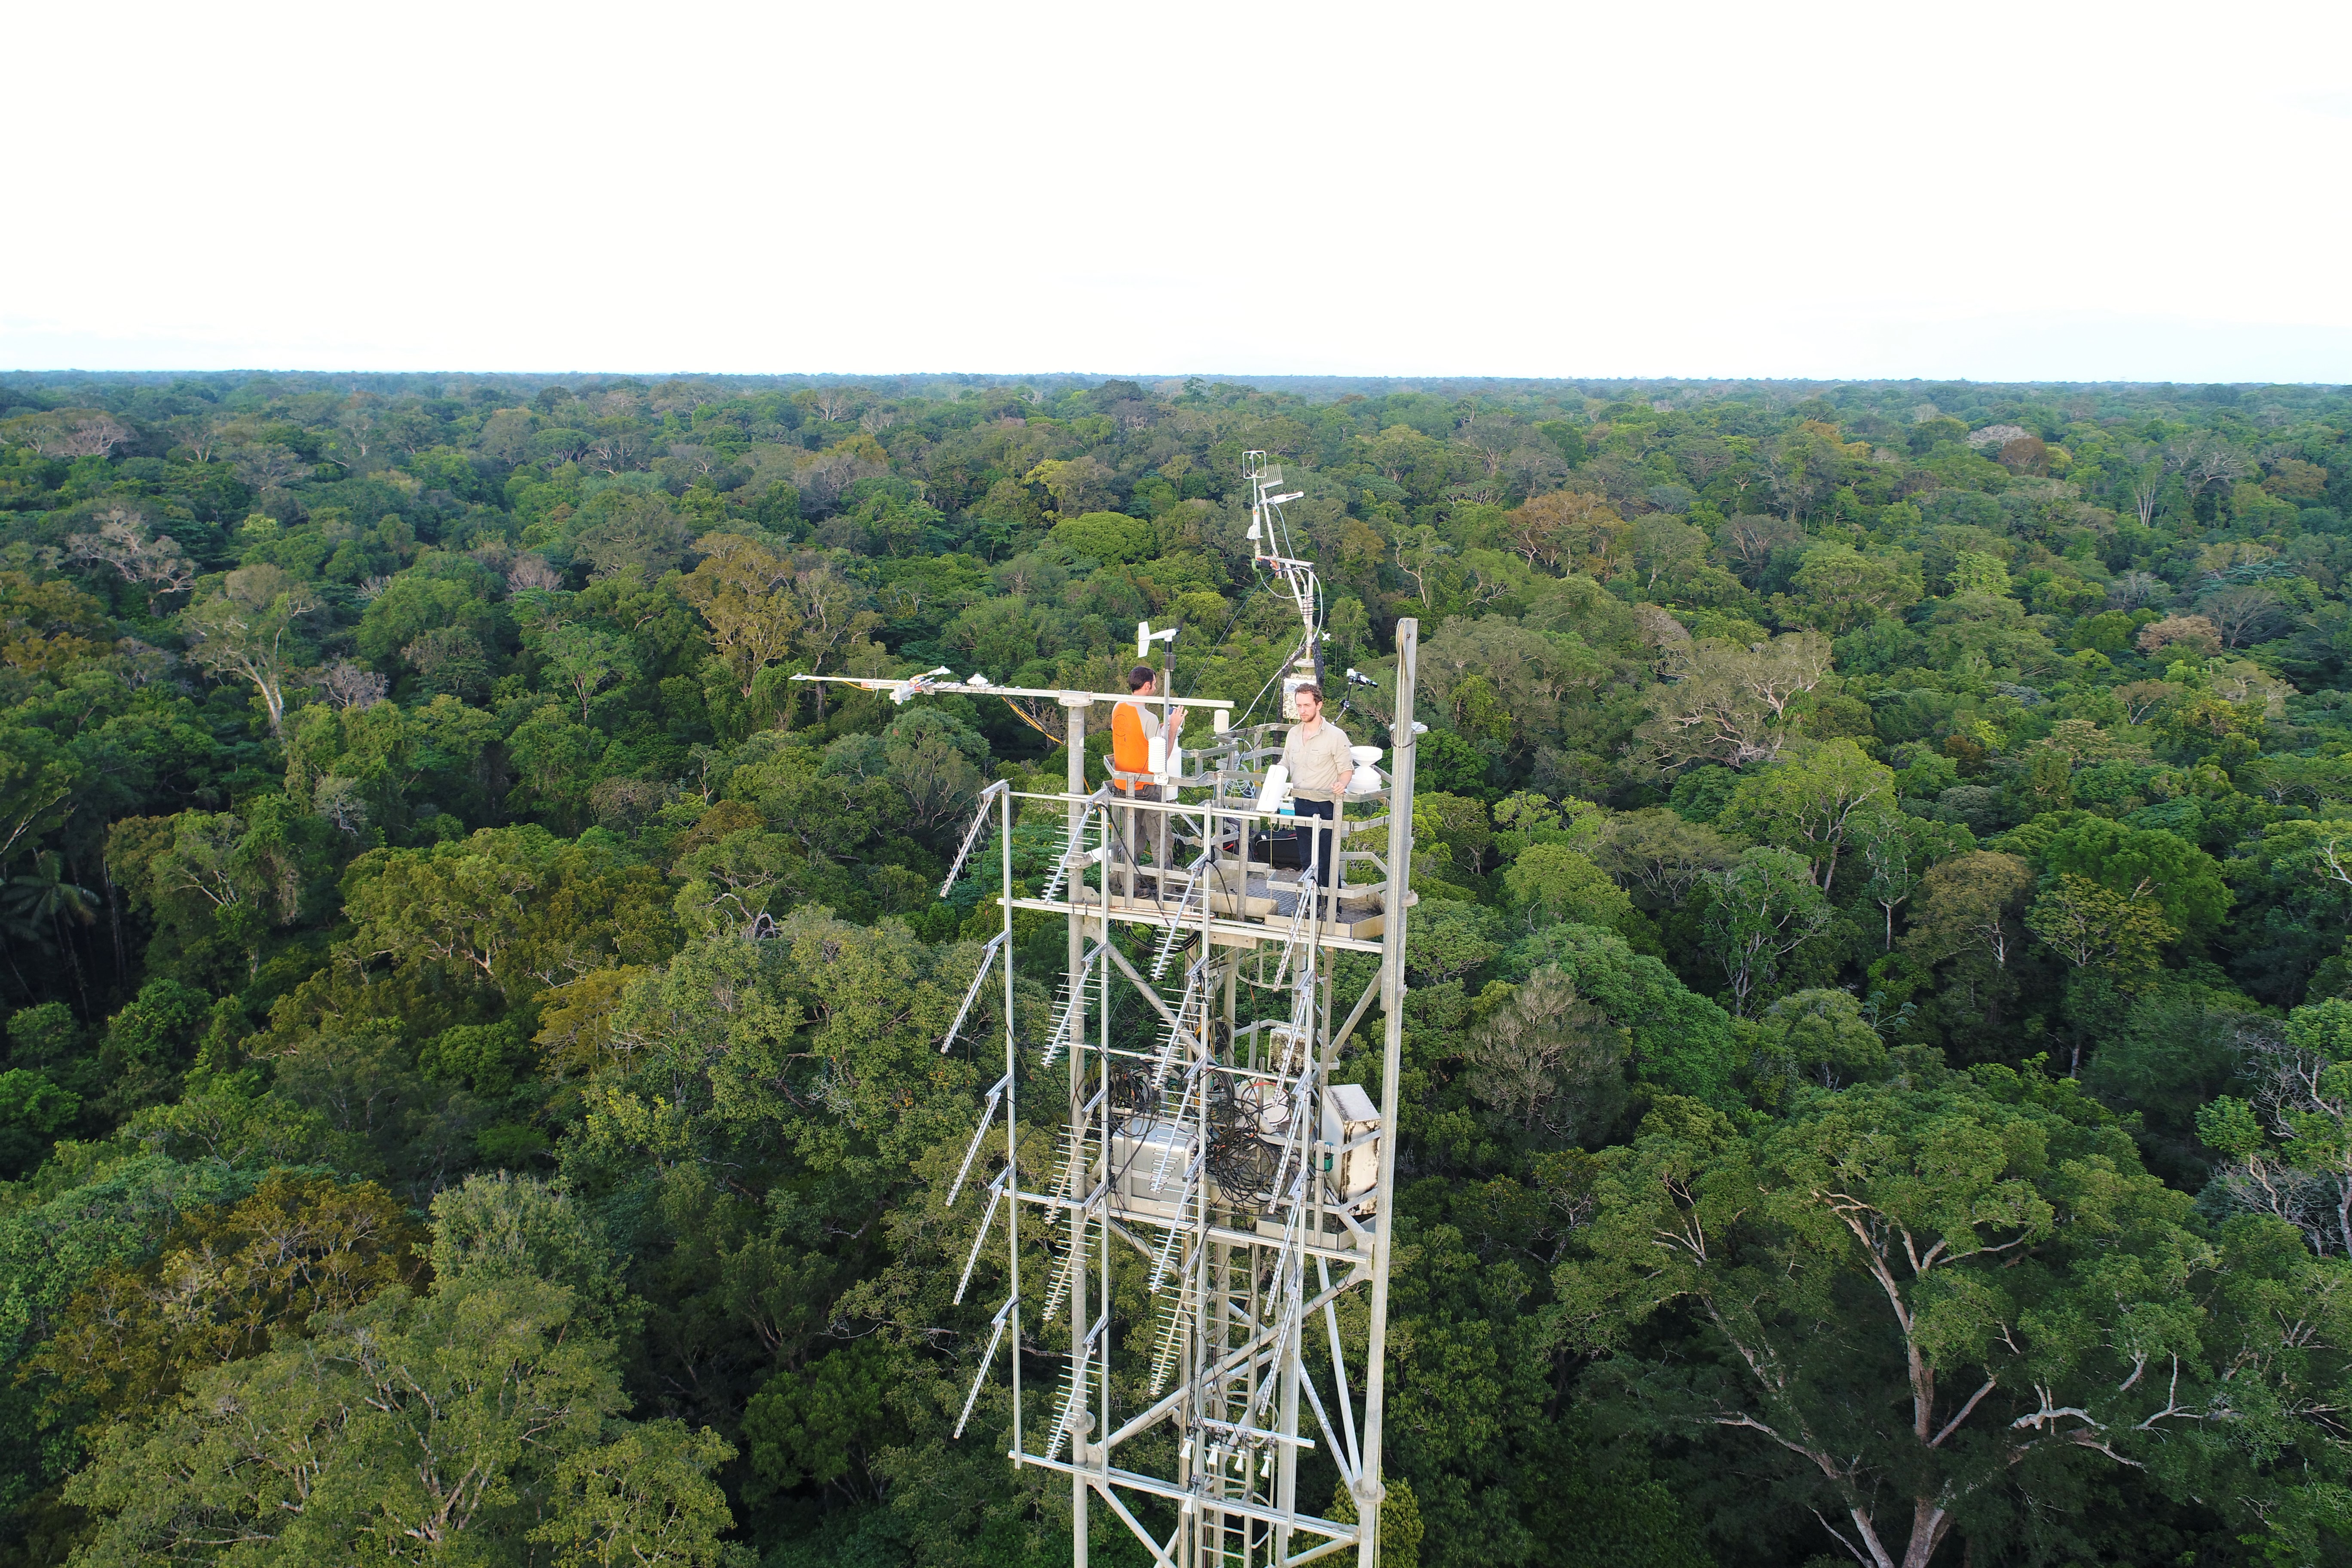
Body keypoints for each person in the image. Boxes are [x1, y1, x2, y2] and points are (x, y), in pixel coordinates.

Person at [1278, 683, 1353, 910]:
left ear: (1319, 705)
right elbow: (1285, 763)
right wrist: (1275, 781)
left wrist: (1342, 784)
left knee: (1328, 857)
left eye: (1307, 705)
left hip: (1326, 804)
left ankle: (1332, 904)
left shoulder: (1335, 736)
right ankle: (1312, 900)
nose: (1302, 711)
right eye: (1299, 706)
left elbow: (1347, 769)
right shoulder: (1293, 734)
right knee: (1306, 855)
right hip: (1301, 803)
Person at [1111, 665, 1182, 894]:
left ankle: (1125, 885)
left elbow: (1134, 739)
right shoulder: (1149, 718)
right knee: (1161, 838)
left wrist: (1158, 731)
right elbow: (1162, 758)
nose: (1156, 686)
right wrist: (1171, 730)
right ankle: (1166, 887)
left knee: (1132, 839)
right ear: (1148, 686)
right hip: (1146, 787)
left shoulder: (1118, 708)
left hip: (1123, 785)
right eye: (1155, 683)